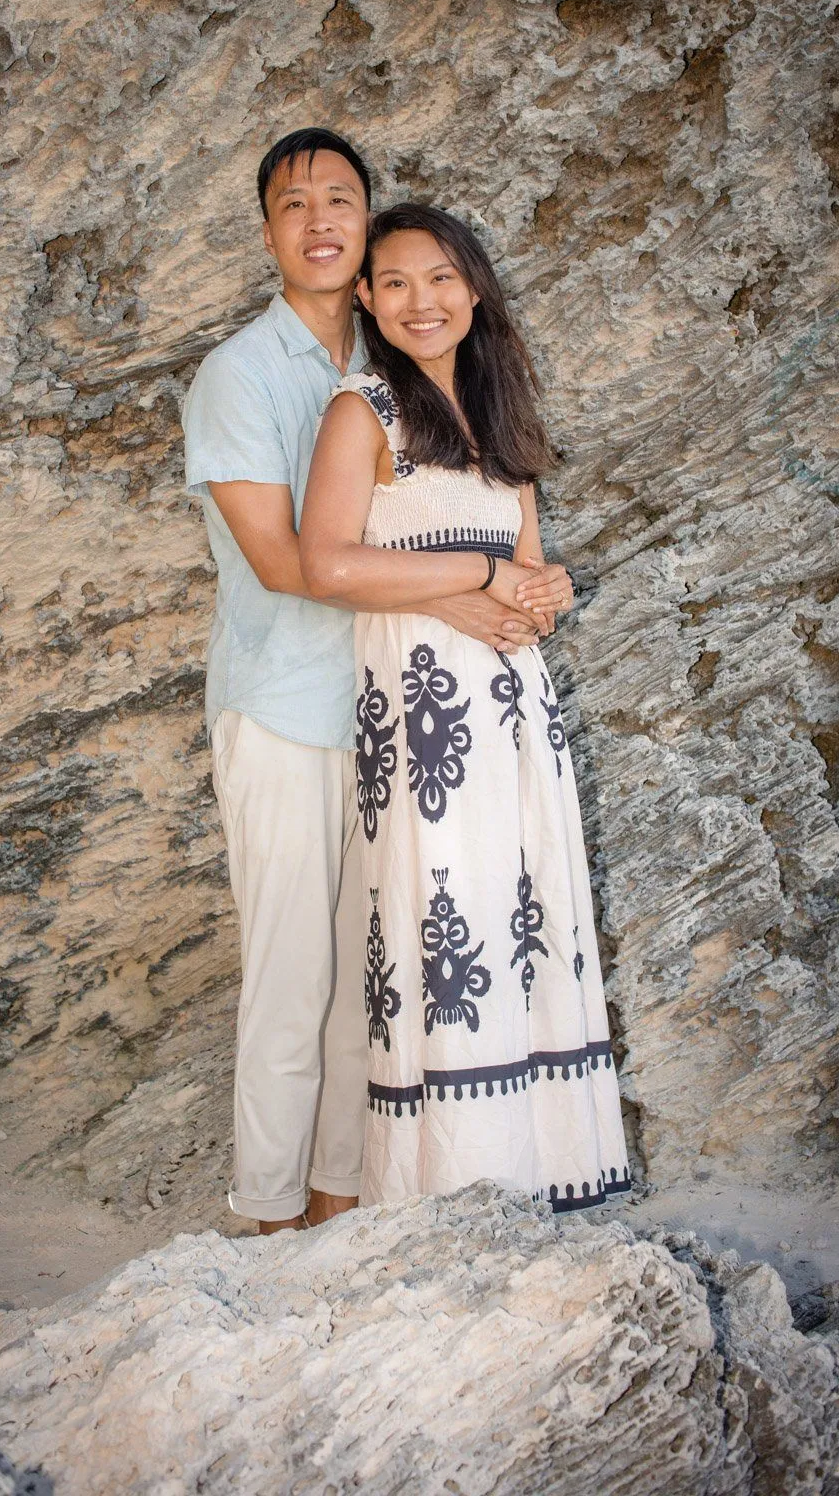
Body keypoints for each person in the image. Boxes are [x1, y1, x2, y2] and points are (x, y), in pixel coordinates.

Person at [182, 134, 551, 1234]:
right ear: (267, 233)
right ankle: (266, 1217)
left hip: (389, 717)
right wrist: (464, 589)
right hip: (286, 709)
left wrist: (492, 587)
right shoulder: (240, 375)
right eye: (293, 205)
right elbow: (290, 563)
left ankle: (337, 1209)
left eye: (339, 200)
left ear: (367, 225)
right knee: (292, 978)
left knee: (371, 983)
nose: (319, 222)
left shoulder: (395, 371)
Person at [299, 203, 632, 1210]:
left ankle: (542, 1174)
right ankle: (446, 1186)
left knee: (519, 908)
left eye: (441, 278)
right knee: (442, 912)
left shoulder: (497, 415)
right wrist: (476, 576)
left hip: (513, 707)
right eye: (395, 282)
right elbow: (326, 565)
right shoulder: (362, 411)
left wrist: (544, 590)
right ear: (366, 298)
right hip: (421, 714)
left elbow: (527, 572)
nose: (421, 301)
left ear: (474, 290)